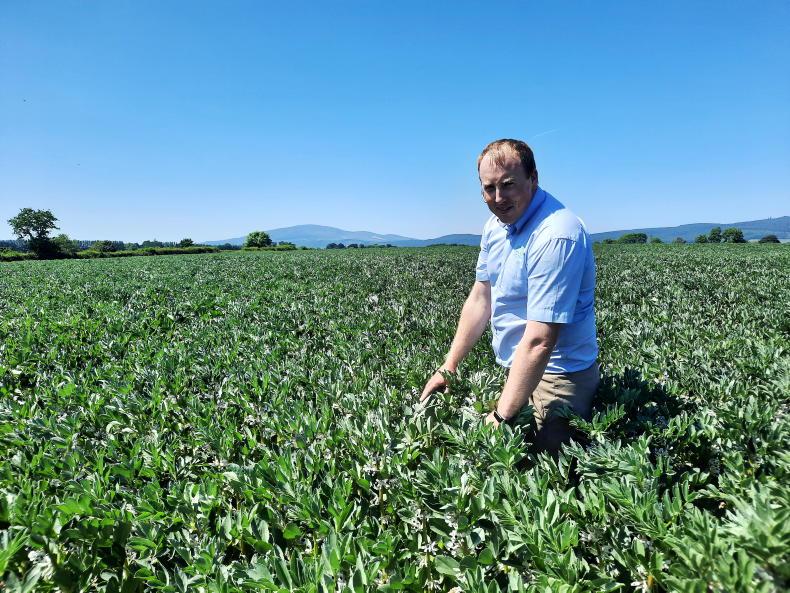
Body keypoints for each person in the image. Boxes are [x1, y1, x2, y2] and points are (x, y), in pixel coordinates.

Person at [420, 138, 599, 456]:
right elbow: (481, 298)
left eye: (508, 185)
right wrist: (449, 366)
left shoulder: (556, 234)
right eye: (489, 188)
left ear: (533, 178)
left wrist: (502, 415)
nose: (498, 197)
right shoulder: (495, 226)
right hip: (519, 365)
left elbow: (541, 340)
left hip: (558, 374)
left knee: (551, 472)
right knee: (515, 467)